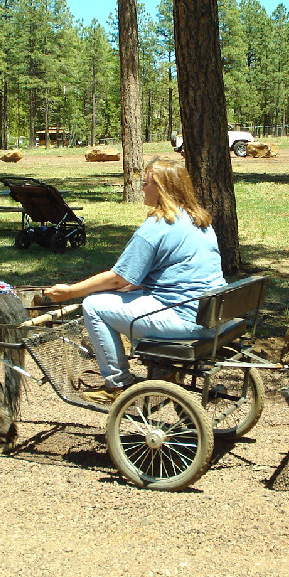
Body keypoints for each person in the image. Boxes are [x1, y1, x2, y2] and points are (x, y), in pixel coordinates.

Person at [43, 157, 227, 404]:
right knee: (126, 298)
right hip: (214, 314)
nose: (141, 187)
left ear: (162, 188)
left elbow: (118, 279)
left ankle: (117, 384)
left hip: (185, 320)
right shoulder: (198, 220)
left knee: (94, 305)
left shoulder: (156, 226)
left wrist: (71, 291)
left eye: (146, 183)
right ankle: (163, 369)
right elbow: (175, 271)